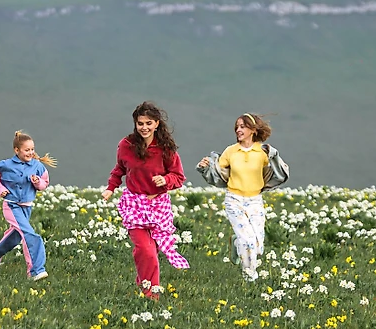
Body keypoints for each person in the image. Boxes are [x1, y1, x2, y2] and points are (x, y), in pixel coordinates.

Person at [102, 101, 189, 300]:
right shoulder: (126, 145)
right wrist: (110, 188)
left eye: (149, 123)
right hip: (134, 205)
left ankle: (143, 281)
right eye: (140, 123)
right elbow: (119, 169)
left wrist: (165, 180)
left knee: (150, 251)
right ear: (135, 124)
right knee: (146, 250)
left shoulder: (166, 148)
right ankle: (151, 295)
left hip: (159, 206)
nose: (144, 127)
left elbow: (178, 177)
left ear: (157, 124)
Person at [197, 113, 288, 281]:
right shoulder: (231, 151)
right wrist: (206, 166)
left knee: (258, 245)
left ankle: (236, 243)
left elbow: (275, 169)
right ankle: (250, 276)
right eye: (237, 127)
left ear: (253, 130)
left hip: (255, 201)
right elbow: (218, 170)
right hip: (234, 200)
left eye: (242, 127)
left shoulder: (263, 152)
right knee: (248, 241)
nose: (238, 130)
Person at [0, 130, 57, 281]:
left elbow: (45, 183)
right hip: (12, 206)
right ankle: (35, 271)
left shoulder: (38, 166)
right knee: (31, 235)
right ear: (17, 150)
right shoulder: (5, 165)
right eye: (27, 150)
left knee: (14, 238)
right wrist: (0, 189)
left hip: (27, 207)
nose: (31, 153)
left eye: (32, 149)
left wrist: (37, 182)